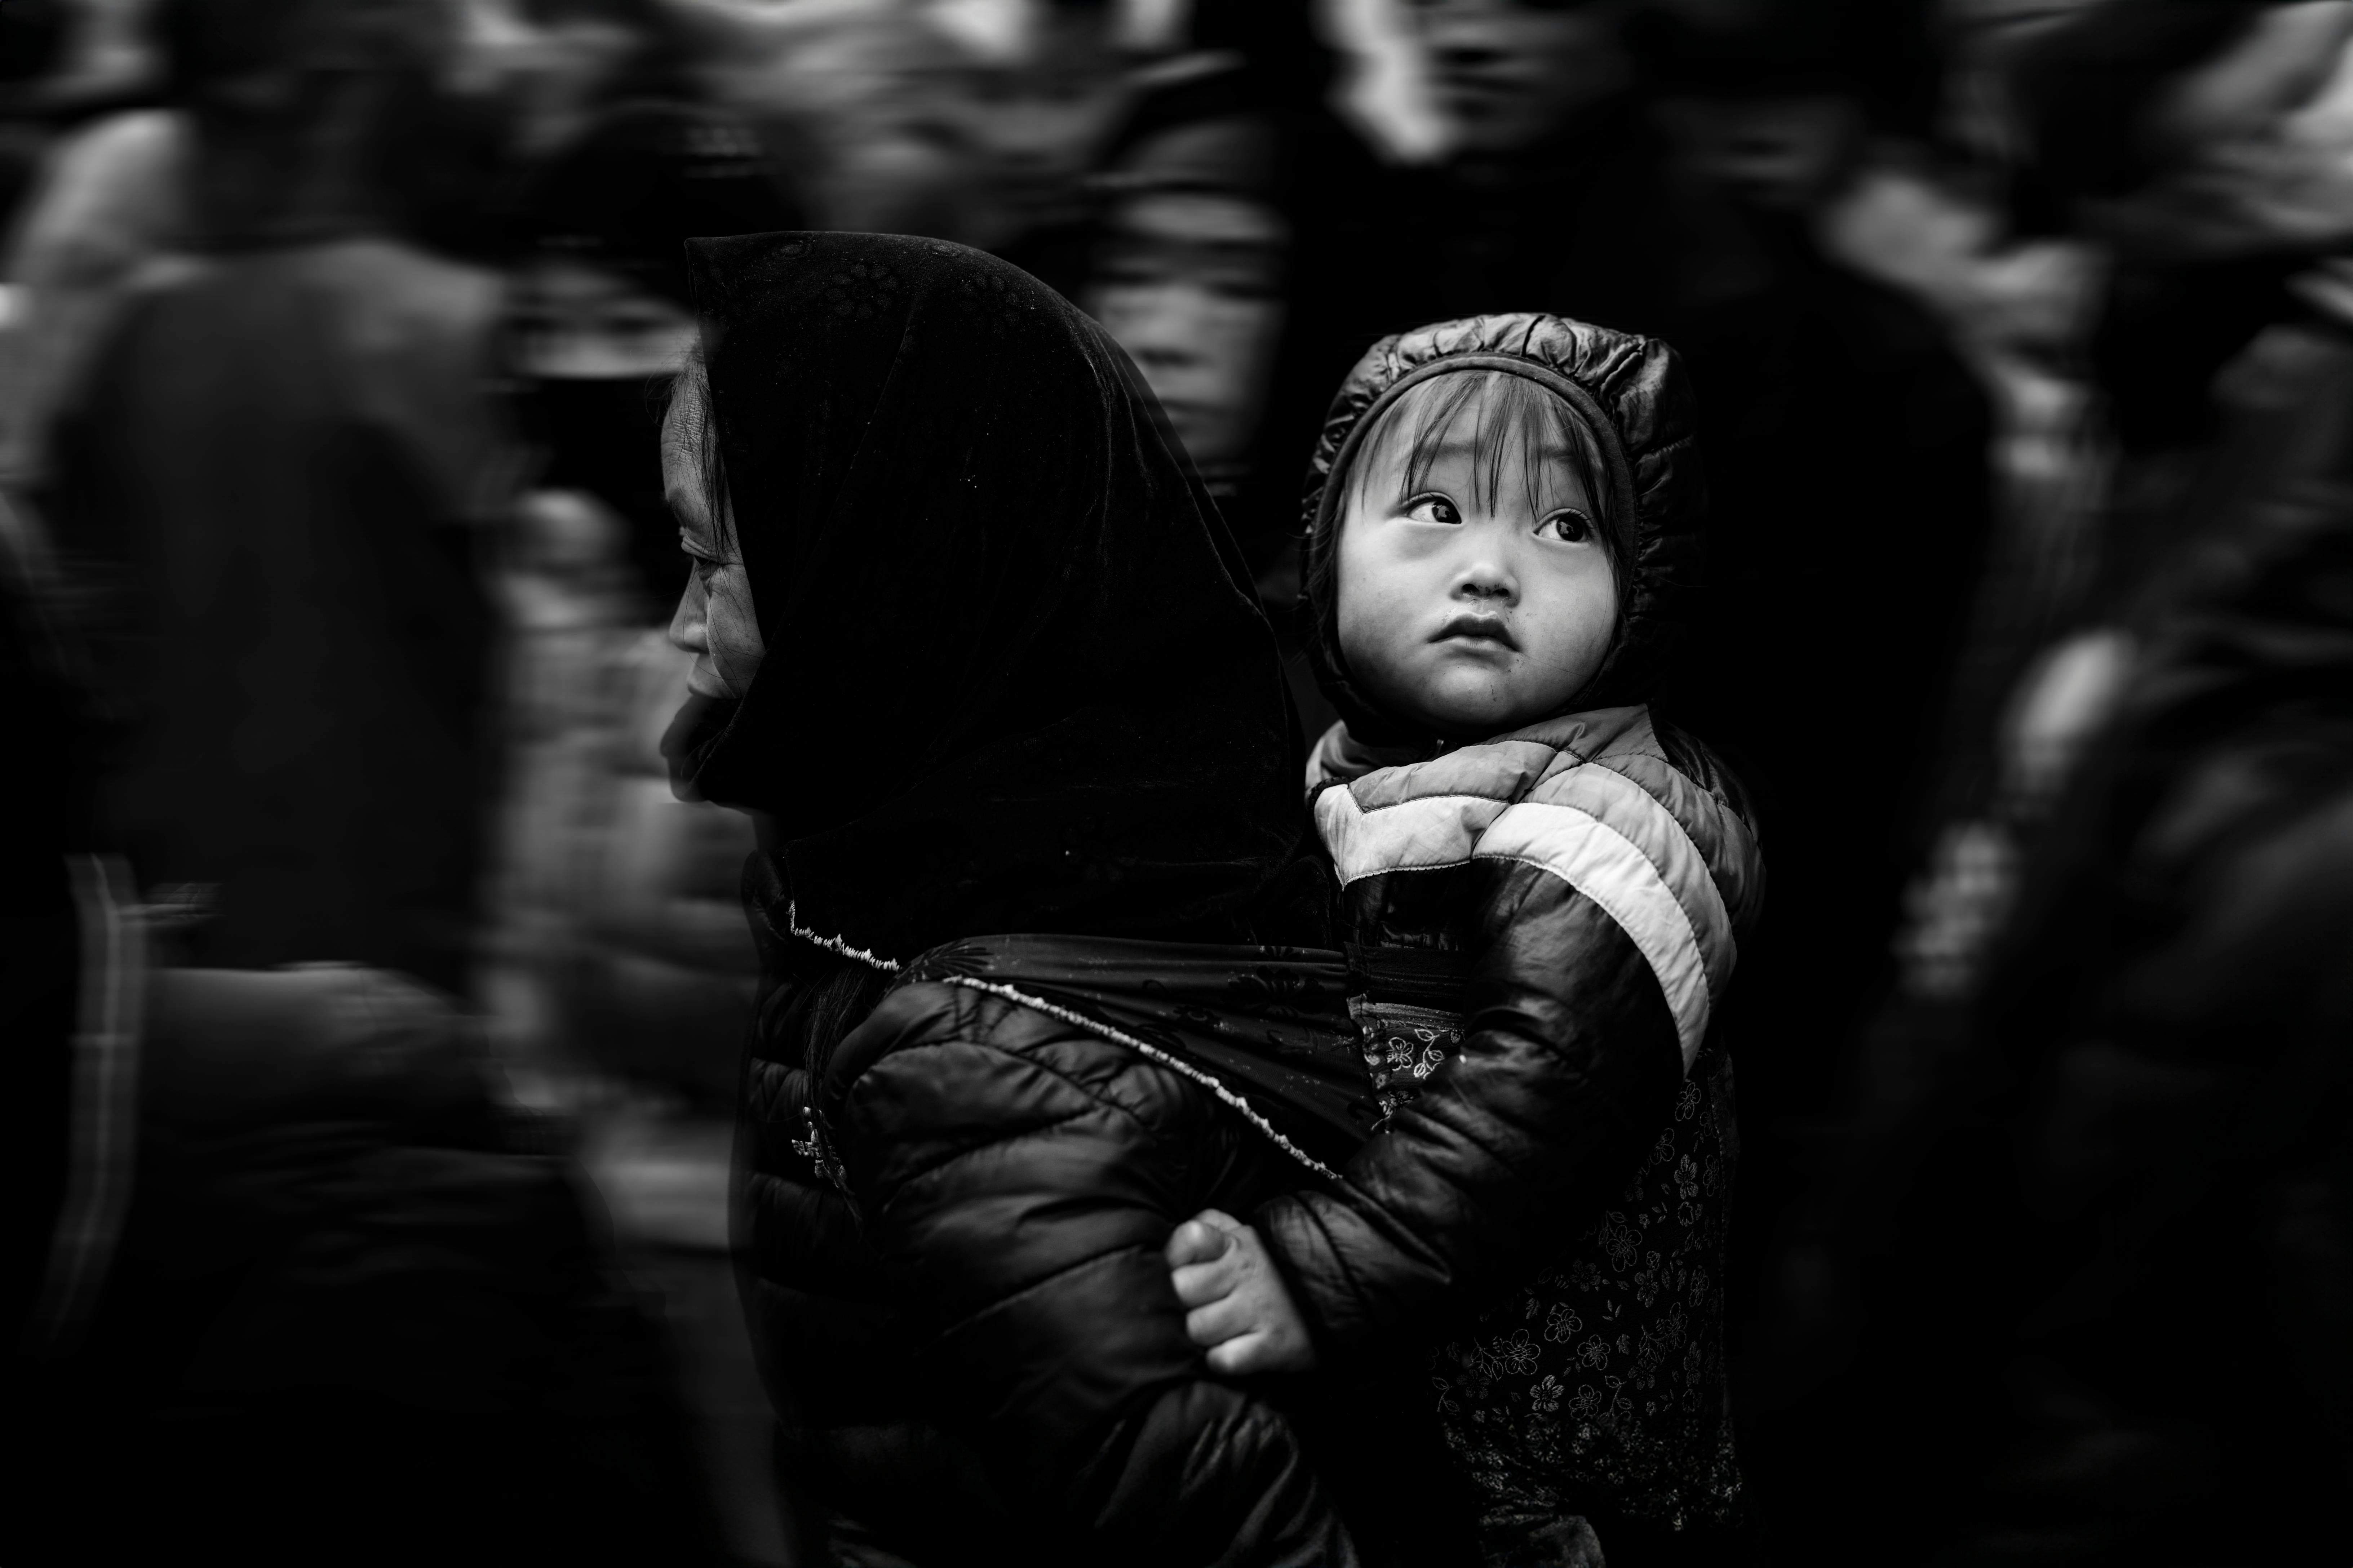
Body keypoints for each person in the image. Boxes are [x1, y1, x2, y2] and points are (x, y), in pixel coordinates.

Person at [657, 230, 1366, 1567]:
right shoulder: (1135, 850)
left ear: (872, 579)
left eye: (708, 560)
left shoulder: (973, 1074)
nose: (679, 631)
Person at [1162, 315, 1763, 1568]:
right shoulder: (1343, 777)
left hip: (1550, 1473)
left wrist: (1314, 1271)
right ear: (1325, 553)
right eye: (1434, 510)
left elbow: (1533, 1101)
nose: (1493, 571)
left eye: (1566, 530)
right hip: (1417, 1420)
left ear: (1642, 585)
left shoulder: (1615, 823)